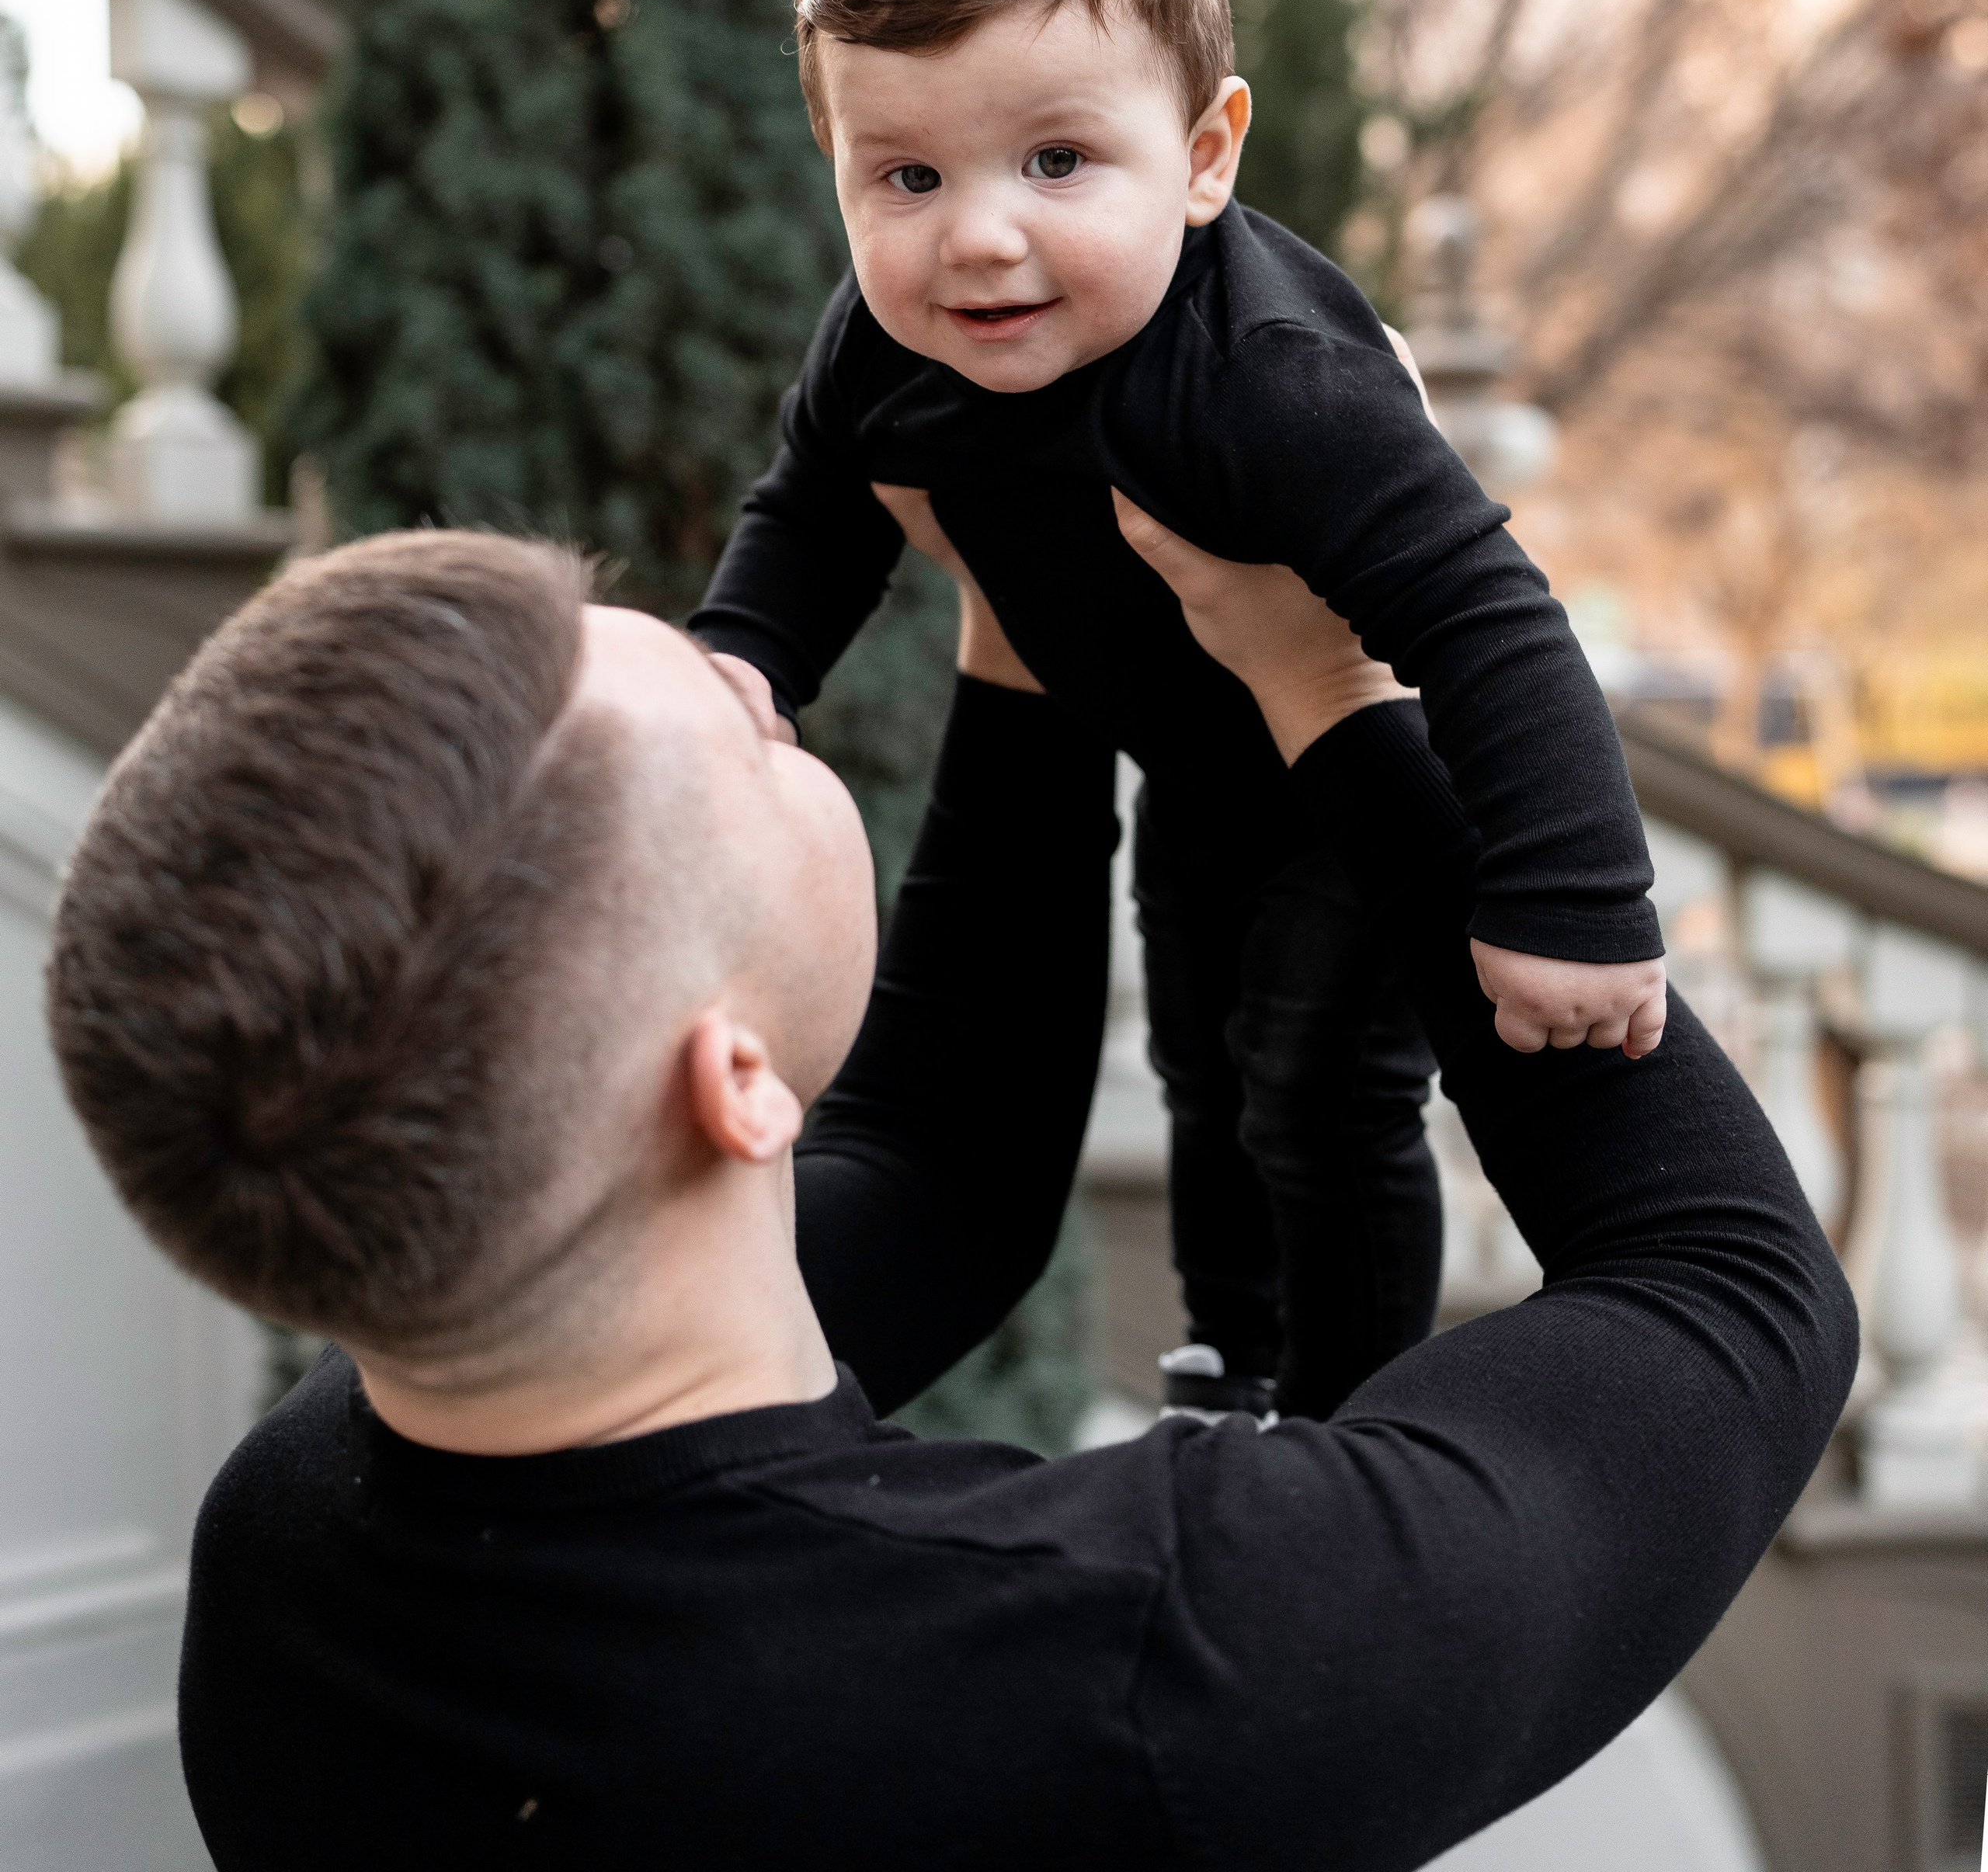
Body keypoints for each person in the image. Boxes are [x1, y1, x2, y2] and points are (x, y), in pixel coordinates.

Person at [47, 518, 1854, 1870]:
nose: (771, 696)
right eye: (745, 733)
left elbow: (937, 1177)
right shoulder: (1145, 1662)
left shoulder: (291, 1551)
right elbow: (1730, 1298)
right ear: (731, 1080)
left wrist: (1025, 612)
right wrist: (1340, 699)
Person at [690, 0, 1666, 1419]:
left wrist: (1572, 900)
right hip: (1186, 764)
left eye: (1055, 160)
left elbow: (1483, 609)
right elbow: (815, 504)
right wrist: (738, 660)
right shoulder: (884, 350)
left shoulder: (1268, 382)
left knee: (1318, 1092)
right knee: (1204, 1070)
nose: (978, 239)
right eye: (904, 178)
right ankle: (1231, 1357)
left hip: (1350, 778)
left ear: (1203, 154)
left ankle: (1351, 1408)